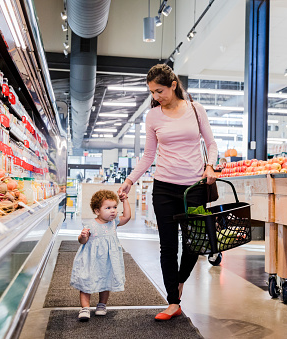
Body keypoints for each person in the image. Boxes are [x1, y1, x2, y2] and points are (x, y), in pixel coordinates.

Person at [118, 63, 217, 321]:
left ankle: (178, 282)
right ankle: (173, 301)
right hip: (163, 188)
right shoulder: (153, 117)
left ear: (173, 85)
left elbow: (211, 143)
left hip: (194, 189)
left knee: (195, 244)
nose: (155, 97)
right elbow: (149, 155)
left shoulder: (196, 110)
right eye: (152, 92)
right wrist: (130, 180)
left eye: (159, 90)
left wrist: (210, 166)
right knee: (168, 246)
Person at [70, 189, 131, 321]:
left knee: (105, 281)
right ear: (97, 211)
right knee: (86, 281)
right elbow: (82, 241)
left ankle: (102, 305)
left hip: (108, 261)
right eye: (108, 208)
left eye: (115, 207)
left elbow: (126, 217)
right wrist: (83, 236)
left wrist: (125, 200)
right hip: (92, 260)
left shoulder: (113, 223)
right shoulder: (90, 224)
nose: (113, 210)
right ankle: (85, 307)